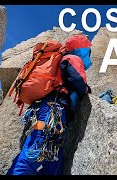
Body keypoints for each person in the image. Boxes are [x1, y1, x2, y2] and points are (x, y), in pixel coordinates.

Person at [7, 35, 92, 175]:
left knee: (52, 154)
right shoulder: (72, 58)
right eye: (87, 51)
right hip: (52, 111)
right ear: (81, 49)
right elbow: (77, 79)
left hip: (46, 110)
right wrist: (86, 90)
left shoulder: (61, 59)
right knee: (36, 150)